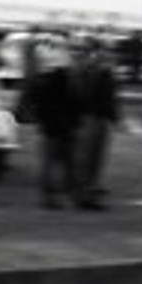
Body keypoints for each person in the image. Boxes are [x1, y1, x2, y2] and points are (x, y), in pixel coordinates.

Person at [29, 39, 81, 209]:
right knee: (65, 164)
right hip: (63, 127)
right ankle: (65, 196)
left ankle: (48, 197)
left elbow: (36, 102)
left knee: (48, 164)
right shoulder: (65, 80)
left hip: (48, 126)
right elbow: (73, 102)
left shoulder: (41, 80)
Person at [70, 36, 118, 207]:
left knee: (95, 157)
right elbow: (82, 94)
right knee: (88, 157)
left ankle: (89, 190)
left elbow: (111, 95)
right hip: (90, 116)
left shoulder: (99, 69)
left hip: (98, 116)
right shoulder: (85, 68)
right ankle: (84, 195)